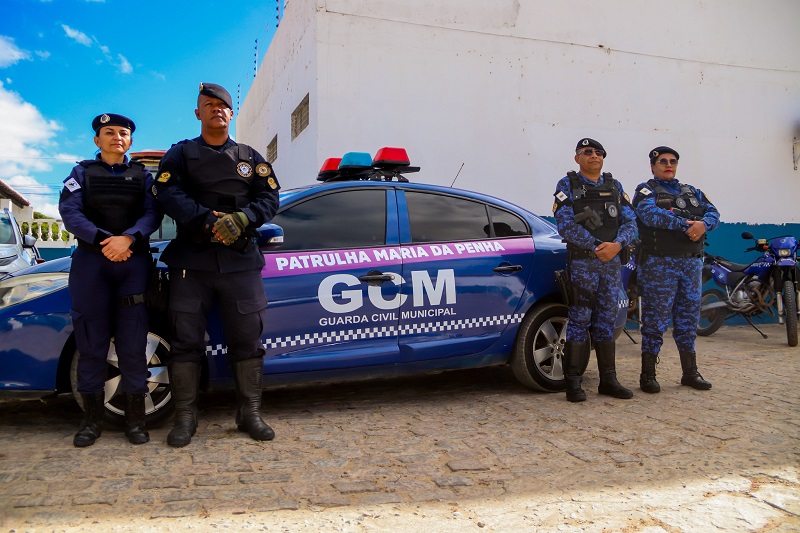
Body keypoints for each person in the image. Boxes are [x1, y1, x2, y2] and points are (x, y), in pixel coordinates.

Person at [153, 83, 280, 447]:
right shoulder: (180, 154)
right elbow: (166, 193)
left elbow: (270, 198)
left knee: (247, 340)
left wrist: (242, 219)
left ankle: (250, 413)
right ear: (198, 113)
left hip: (240, 263)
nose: (216, 110)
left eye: (223, 106)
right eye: (208, 105)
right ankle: (186, 417)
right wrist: (208, 221)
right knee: (185, 341)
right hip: (191, 263)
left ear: (231, 113)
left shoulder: (250, 157)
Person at [59, 113, 162, 446]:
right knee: (91, 345)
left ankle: (136, 421)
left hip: (133, 263)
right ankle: (91, 423)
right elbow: (70, 212)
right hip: (92, 262)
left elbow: (152, 213)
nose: (117, 137)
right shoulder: (81, 173)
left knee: (133, 346)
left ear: (129, 141)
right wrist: (105, 239)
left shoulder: (143, 177)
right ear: (96, 140)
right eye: (109, 132)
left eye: (123, 133)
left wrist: (128, 238)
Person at [552, 138, 637, 402]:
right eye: (587, 152)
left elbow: (631, 221)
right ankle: (574, 383)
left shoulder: (615, 186)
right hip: (583, 263)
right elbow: (565, 225)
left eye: (598, 152)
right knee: (579, 321)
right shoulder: (567, 185)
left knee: (605, 321)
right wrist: (598, 245)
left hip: (611, 265)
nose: (594, 155)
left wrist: (618, 244)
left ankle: (608, 381)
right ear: (577, 158)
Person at [632, 146, 719, 393]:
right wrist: (686, 225)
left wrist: (703, 225)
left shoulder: (692, 192)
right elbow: (649, 215)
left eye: (672, 161)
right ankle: (648, 375)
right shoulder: (645, 191)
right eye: (663, 161)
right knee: (655, 320)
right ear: (653, 165)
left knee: (688, 318)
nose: (668, 165)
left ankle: (690, 373)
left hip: (691, 264)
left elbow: (714, 213)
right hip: (659, 265)